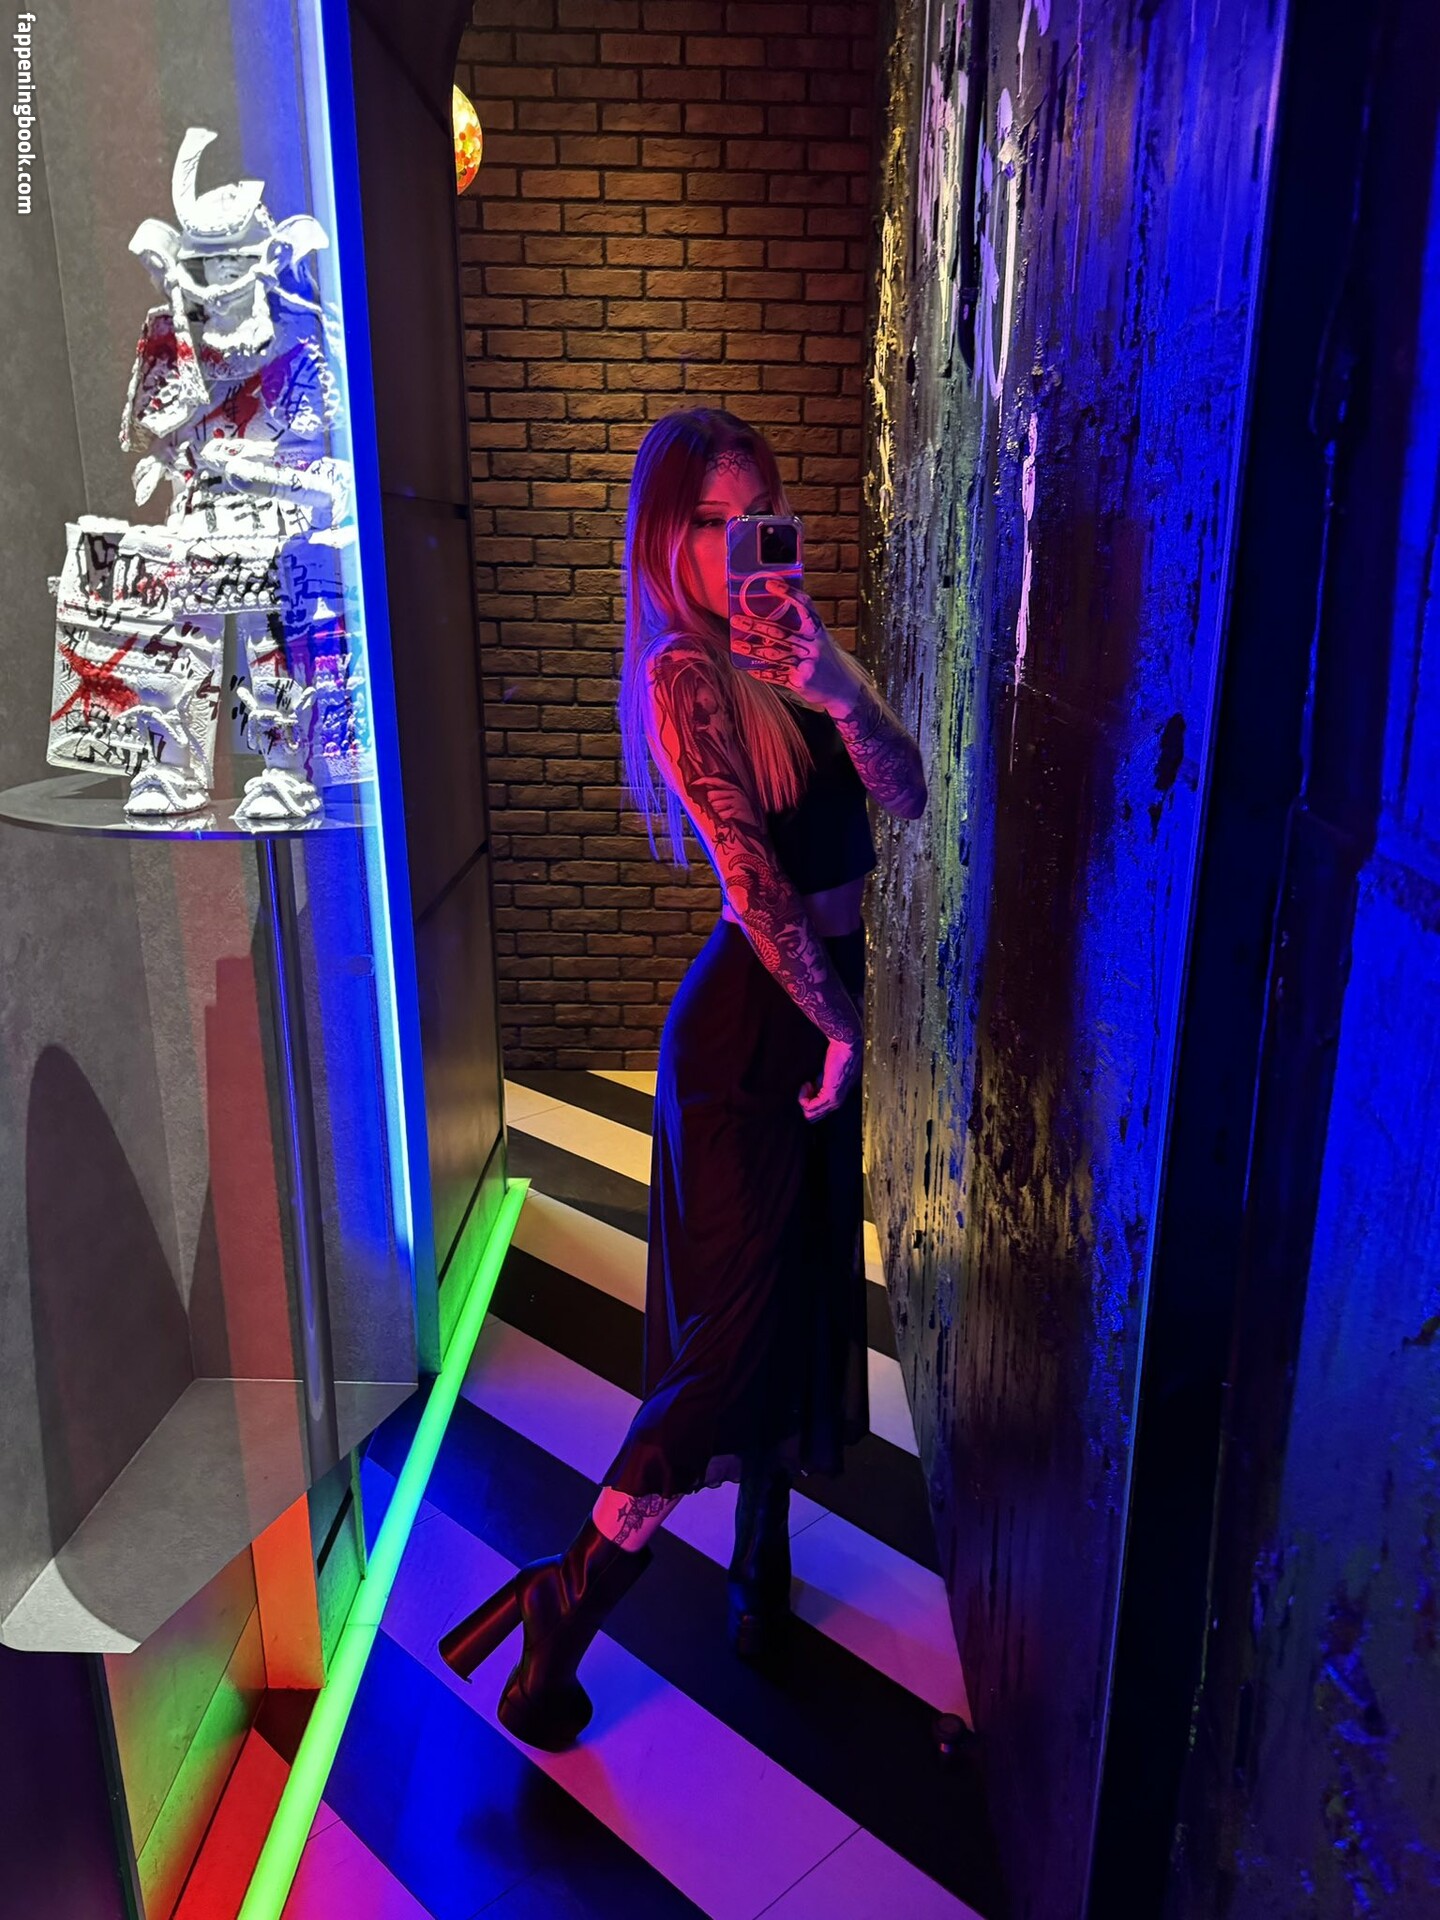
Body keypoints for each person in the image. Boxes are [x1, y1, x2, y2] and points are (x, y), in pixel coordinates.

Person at [439, 408, 928, 1750]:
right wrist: (837, 1024)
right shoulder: (682, 675)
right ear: (665, 536)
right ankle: (570, 1592)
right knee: (723, 1344)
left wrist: (837, 677)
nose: (733, 546)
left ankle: (757, 1563)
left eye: (754, 515)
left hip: (814, 1010)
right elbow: (754, 883)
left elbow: (906, 793)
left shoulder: (790, 658)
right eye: (708, 522)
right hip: (755, 1032)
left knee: (796, 1302)